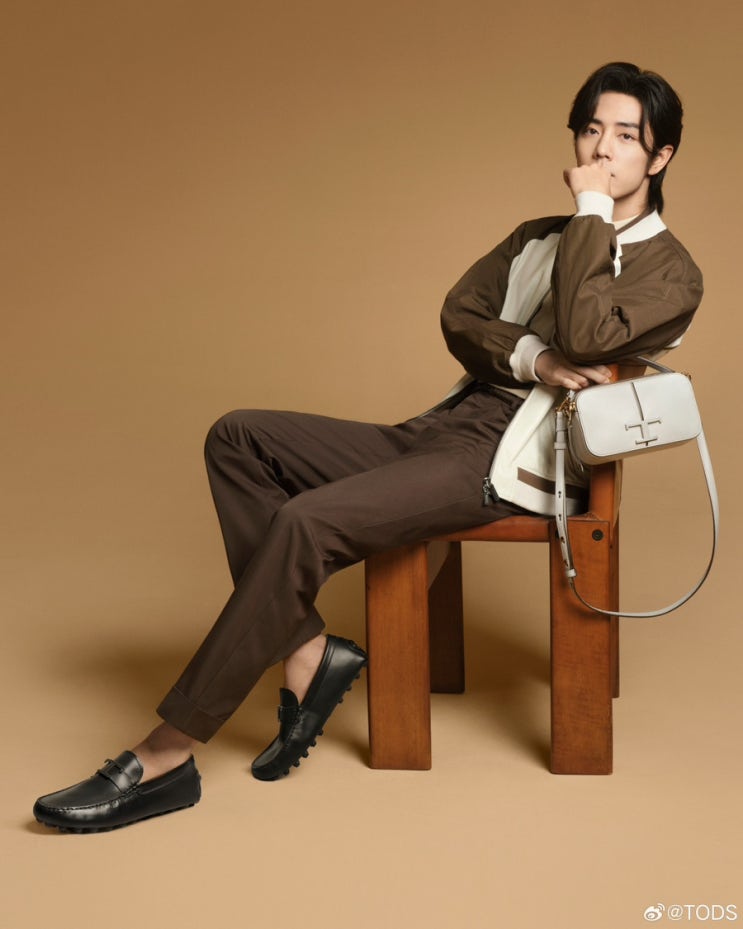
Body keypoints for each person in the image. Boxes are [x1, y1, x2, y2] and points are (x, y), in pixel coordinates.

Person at [33, 61, 703, 832]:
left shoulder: (672, 273)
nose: (602, 149)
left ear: (660, 156)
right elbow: (461, 317)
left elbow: (586, 331)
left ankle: (166, 752)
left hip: (515, 459)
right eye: (590, 129)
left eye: (625, 136)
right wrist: (534, 356)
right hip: (445, 428)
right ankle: (307, 648)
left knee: (306, 520)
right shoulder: (536, 238)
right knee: (238, 437)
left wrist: (589, 211)